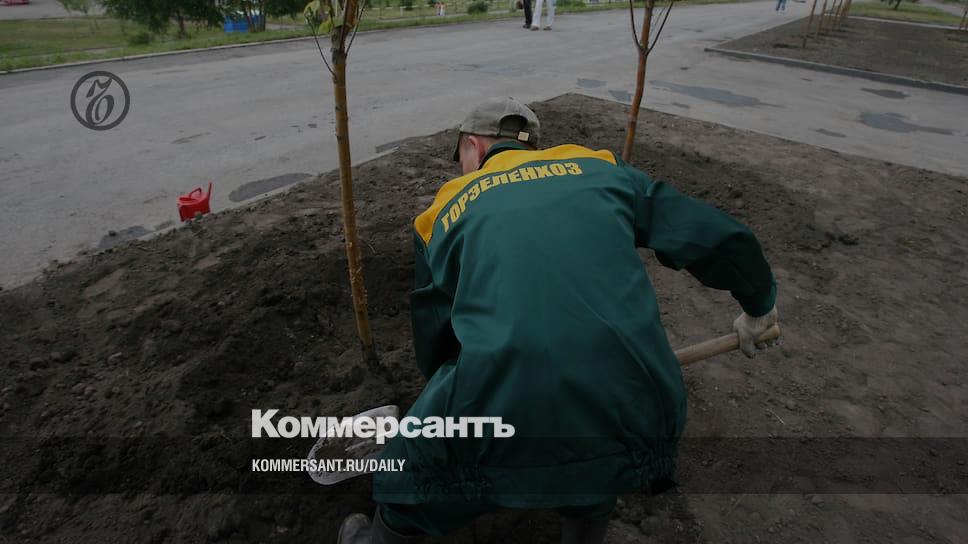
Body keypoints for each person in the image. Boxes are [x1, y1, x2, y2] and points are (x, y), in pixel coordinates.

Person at [337, 98, 779, 543]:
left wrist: (451, 397)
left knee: (407, 486)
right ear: (532, 146)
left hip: (502, 403)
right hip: (641, 403)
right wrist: (759, 307)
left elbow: (436, 337)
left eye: (460, 159)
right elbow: (717, 238)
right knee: (597, 464)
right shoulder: (601, 167)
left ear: (473, 146)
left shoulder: (441, 212)